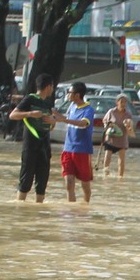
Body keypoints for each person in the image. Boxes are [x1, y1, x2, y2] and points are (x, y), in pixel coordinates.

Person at [9, 74, 71, 202]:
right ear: (48, 87)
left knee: (42, 182)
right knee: (26, 180)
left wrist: (52, 122)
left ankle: (39, 210)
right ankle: (20, 207)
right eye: (52, 86)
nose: (52, 89)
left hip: (44, 146)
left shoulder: (47, 104)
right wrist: (30, 113)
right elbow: (12, 115)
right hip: (30, 145)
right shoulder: (30, 99)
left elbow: (50, 127)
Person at [59, 81, 97, 204]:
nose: (68, 95)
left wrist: (65, 120)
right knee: (69, 182)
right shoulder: (71, 107)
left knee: (85, 184)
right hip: (68, 149)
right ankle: (71, 209)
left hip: (82, 151)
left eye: (70, 92)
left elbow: (83, 124)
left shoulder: (88, 110)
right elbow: (64, 119)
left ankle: (86, 205)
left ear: (77, 95)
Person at [101, 93, 134, 179]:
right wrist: (108, 126)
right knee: (107, 158)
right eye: (121, 102)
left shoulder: (128, 114)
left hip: (122, 140)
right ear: (117, 102)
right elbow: (104, 121)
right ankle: (105, 176)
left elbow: (130, 127)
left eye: (125, 102)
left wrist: (128, 125)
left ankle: (120, 178)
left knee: (121, 161)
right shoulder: (111, 112)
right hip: (110, 139)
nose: (123, 104)